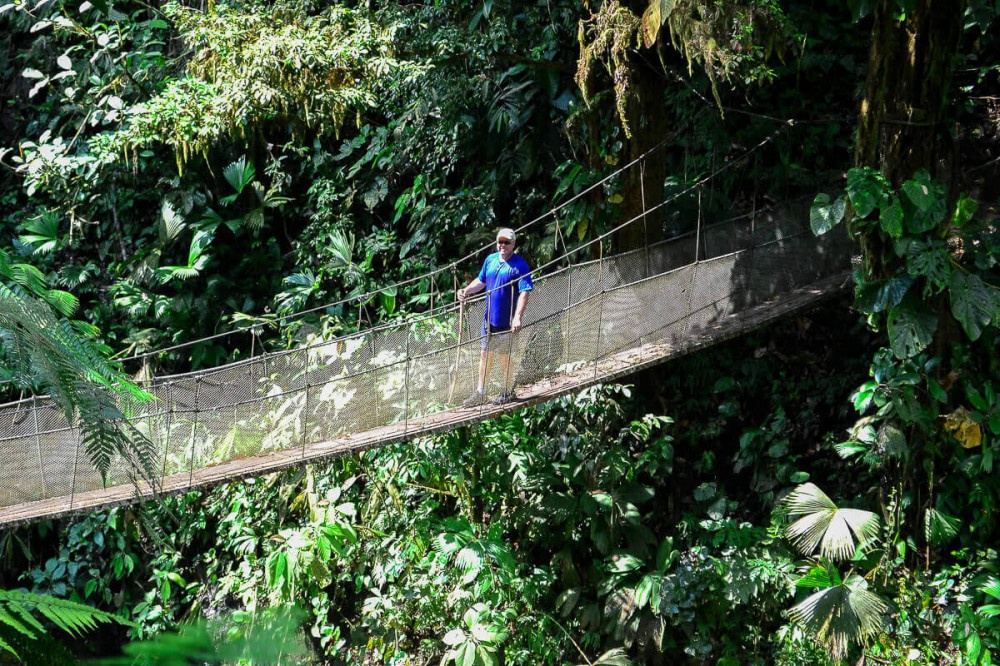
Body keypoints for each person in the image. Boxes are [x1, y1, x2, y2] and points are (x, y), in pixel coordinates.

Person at [457, 227, 533, 406]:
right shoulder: (490, 260)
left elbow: (524, 292)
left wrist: (518, 317)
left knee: (504, 357)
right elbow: (481, 281)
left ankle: (507, 391)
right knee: (485, 355)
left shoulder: (519, 265)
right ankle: (481, 392)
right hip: (488, 321)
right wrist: (466, 291)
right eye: (500, 242)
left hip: (506, 323)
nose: (503, 245)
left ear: (513, 244)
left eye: (507, 242)